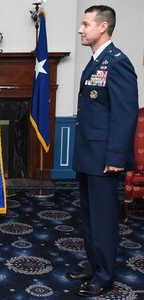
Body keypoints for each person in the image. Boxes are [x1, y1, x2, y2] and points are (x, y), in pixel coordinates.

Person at [69, 5, 138, 297]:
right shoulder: (96, 61)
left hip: (104, 159)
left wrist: (114, 157)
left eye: (85, 24)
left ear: (103, 27)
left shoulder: (117, 62)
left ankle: (105, 276)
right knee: (88, 215)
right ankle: (94, 265)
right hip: (88, 154)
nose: (80, 29)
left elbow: (125, 114)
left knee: (103, 218)